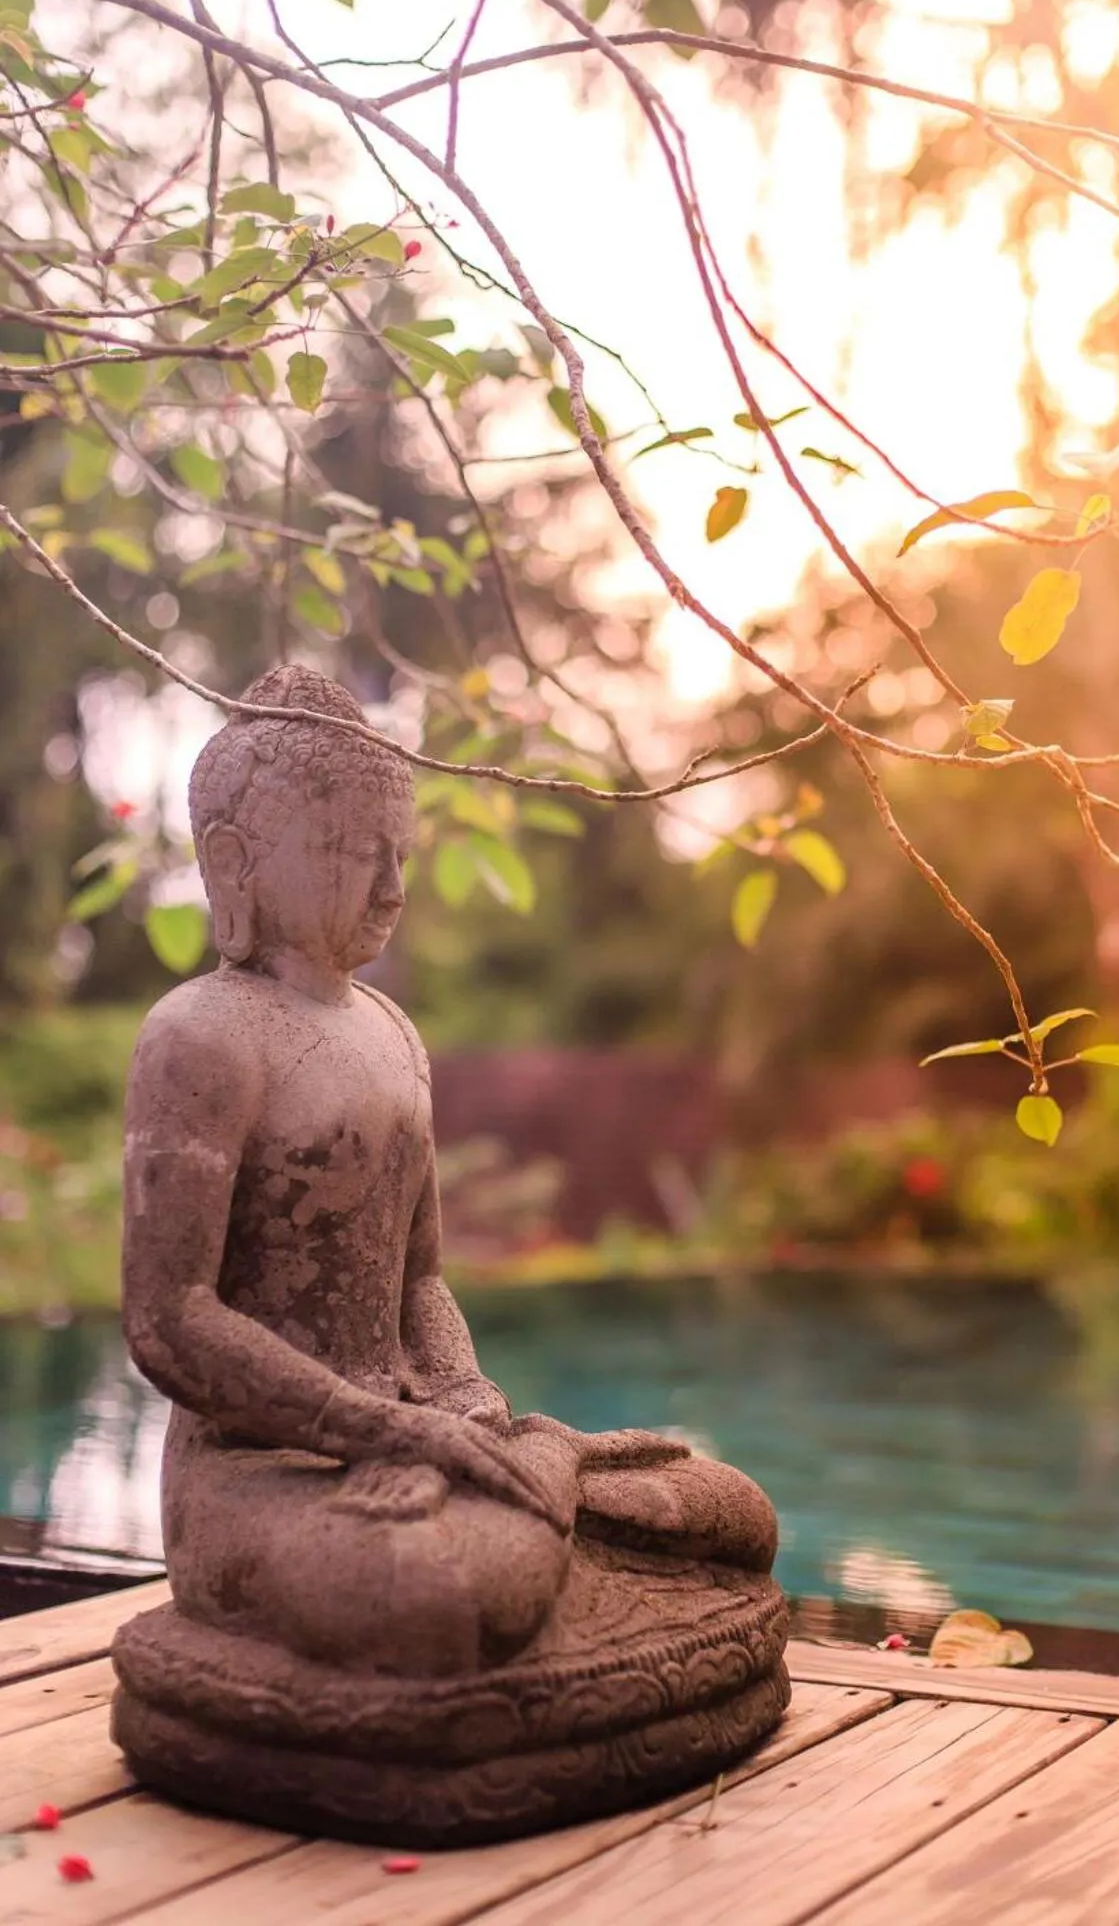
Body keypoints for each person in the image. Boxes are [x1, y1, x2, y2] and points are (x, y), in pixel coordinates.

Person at [120, 667, 778, 1683]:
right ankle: (548, 1508)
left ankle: (541, 1484)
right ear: (233, 860)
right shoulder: (197, 1037)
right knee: (444, 1591)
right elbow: (170, 1319)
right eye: (352, 851)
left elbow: (420, 1279)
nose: (393, 886)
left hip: (422, 1438)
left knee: (727, 1509)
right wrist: (376, 1430)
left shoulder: (393, 1033)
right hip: (259, 1474)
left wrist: (467, 1406)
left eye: (403, 853)